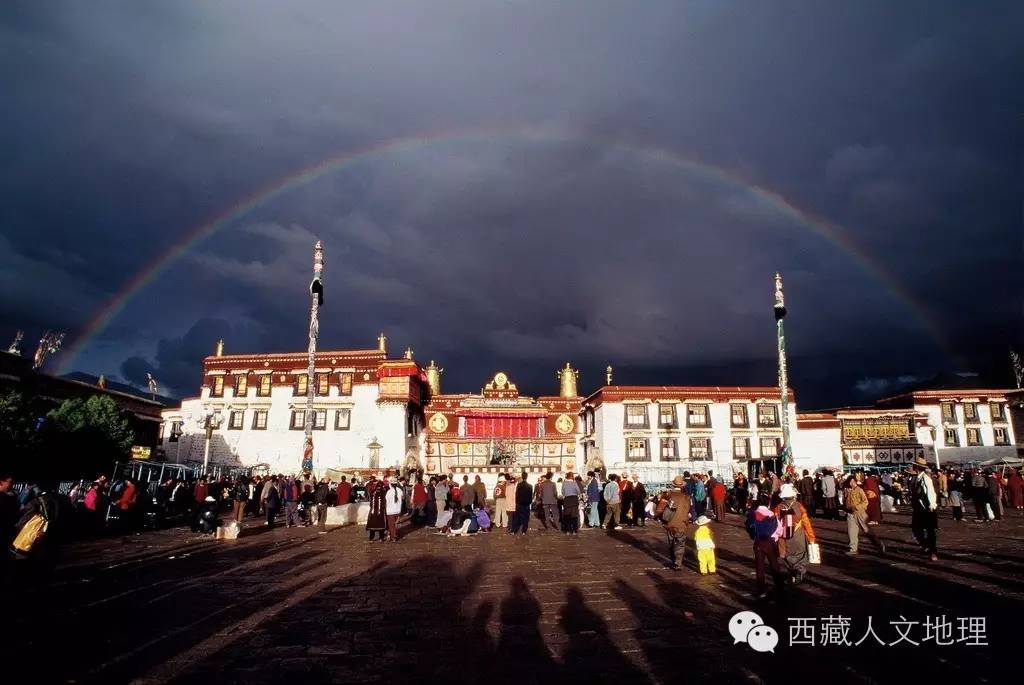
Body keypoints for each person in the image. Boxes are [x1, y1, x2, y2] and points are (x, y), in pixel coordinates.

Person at [774, 483, 816, 584]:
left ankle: (793, 574)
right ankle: (799, 571)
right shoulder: (799, 506)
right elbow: (806, 523)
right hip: (798, 535)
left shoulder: (778, 507)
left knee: (786, 556)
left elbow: (775, 524)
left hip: (784, 537)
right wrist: (811, 538)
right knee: (800, 554)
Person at [745, 497, 784, 599]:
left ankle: (761, 590)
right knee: (774, 565)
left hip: (758, 543)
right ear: (768, 503)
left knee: (759, 567)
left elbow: (749, 529)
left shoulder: (752, 514)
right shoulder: (771, 514)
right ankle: (780, 588)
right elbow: (779, 530)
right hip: (770, 542)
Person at [655, 476, 692, 570]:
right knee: (680, 544)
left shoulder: (668, 495)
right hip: (681, 524)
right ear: (682, 486)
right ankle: (677, 562)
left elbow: (659, 509)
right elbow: (688, 510)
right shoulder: (686, 497)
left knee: (671, 543)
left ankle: (673, 560)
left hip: (669, 524)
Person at [843, 475, 885, 556]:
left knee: (867, 531)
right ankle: (853, 549)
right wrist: (845, 509)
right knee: (851, 532)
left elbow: (865, 502)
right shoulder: (846, 490)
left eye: (853, 481)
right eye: (850, 481)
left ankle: (879, 545)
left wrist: (857, 507)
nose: (851, 483)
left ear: (855, 482)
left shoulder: (859, 490)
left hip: (860, 513)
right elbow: (844, 500)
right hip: (850, 514)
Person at [910, 457, 939, 560]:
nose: (912, 466)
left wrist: (932, 505)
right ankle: (926, 546)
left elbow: (930, 492)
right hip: (918, 508)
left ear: (917, 467)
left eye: (914, 465)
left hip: (927, 509)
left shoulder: (925, 478)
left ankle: (933, 551)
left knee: (930, 531)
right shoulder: (915, 478)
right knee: (916, 529)